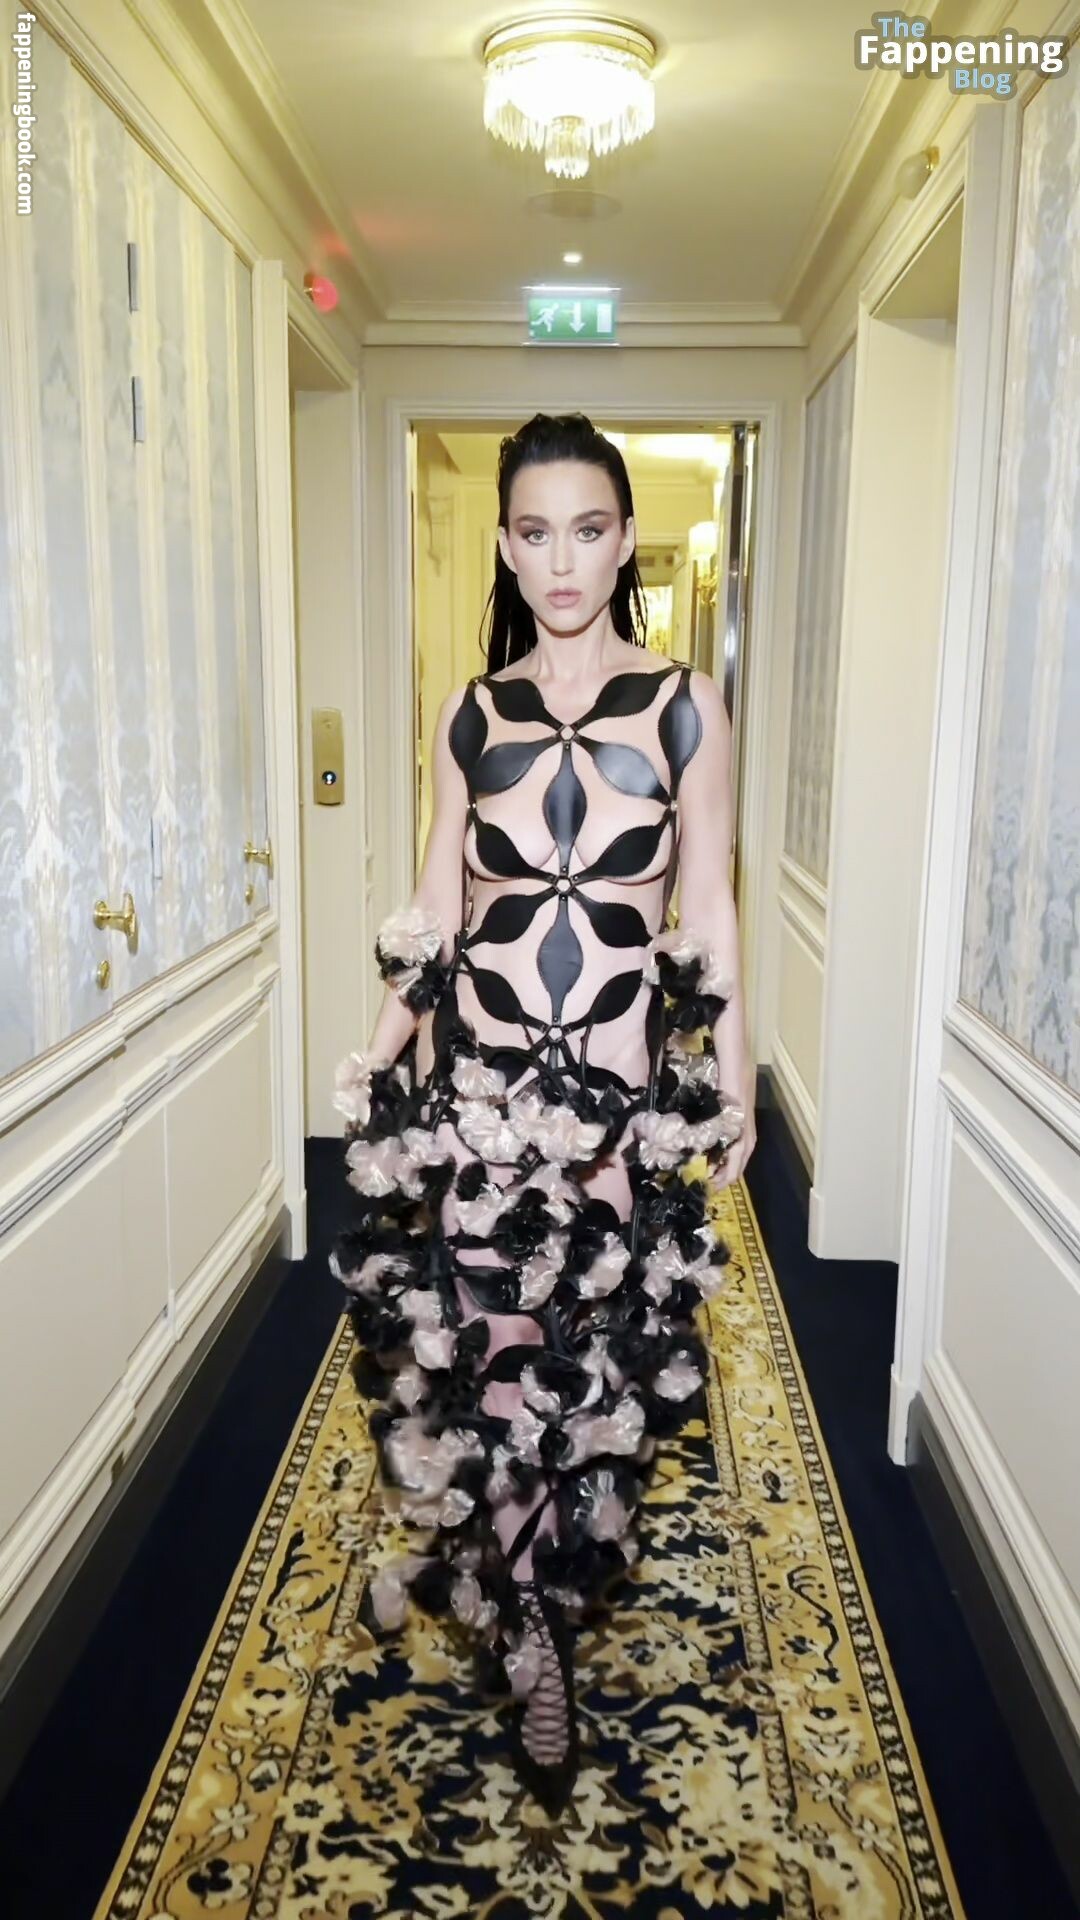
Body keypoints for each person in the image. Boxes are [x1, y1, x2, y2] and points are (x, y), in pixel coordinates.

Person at [330, 410, 756, 1817]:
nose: (560, 559)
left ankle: (558, 1591)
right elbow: (438, 908)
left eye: (587, 529)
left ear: (624, 542)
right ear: (508, 549)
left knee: (595, 1389)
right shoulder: (471, 717)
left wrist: (737, 1078)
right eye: (533, 531)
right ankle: (531, 1635)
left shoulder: (684, 706)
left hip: (619, 1116)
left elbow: (708, 908)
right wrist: (376, 1056)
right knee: (500, 1377)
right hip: (486, 1110)